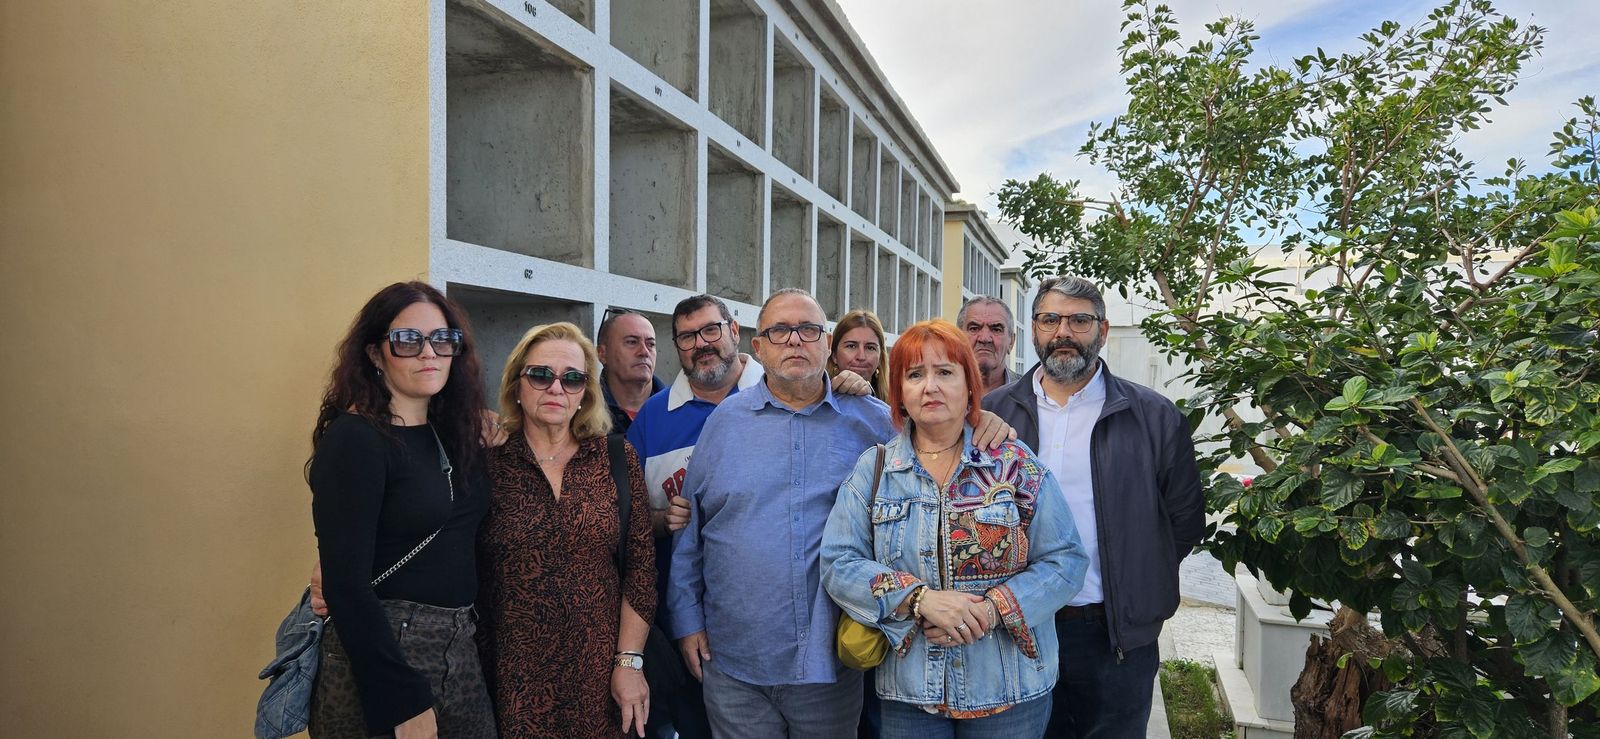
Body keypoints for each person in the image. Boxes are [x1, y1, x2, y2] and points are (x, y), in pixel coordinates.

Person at [822, 319, 1089, 737]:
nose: (930, 386)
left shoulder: (1012, 464)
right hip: (910, 693)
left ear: (969, 386)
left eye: (945, 372)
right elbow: (838, 563)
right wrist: (918, 599)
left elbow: (1065, 561)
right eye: (915, 375)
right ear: (899, 394)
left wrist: (992, 609)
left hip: (1010, 690)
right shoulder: (876, 470)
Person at [666, 288, 897, 737]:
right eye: (779, 331)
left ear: (827, 343)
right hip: (733, 661)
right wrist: (687, 620)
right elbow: (691, 530)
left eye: (808, 330)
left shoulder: (874, 422)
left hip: (829, 663)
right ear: (758, 346)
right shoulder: (724, 424)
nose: (795, 341)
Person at [981, 276, 1205, 739]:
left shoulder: (1154, 418)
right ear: (1034, 330)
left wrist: (1134, 587)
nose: (1064, 331)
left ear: (1102, 332)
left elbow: (1182, 524)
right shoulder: (990, 413)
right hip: (1010, 629)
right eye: (1050, 319)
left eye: (1080, 320)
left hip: (1112, 637)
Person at [308, 281, 496, 738]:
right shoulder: (355, 440)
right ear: (375, 354)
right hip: (387, 649)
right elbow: (346, 585)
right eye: (408, 341)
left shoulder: (451, 434)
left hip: (457, 643)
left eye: (442, 339)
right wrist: (399, 697)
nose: (428, 353)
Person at [476, 322, 657, 738]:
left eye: (572, 378)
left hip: (602, 675)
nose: (556, 388)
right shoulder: (486, 464)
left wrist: (629, 662)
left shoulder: (614, 457)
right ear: (517, 383)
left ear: (585, 394)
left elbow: (641, 571)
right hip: (507, 675)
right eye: (541, 375)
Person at [598, 308, 665, 434]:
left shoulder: (680, 410)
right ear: (602, 354)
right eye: (632, 342)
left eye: (650, 344)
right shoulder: (583, 416)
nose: (644, 352)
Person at [957, 296, 1019, 395]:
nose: (984, 338)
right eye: (974, 328)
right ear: (958, 338)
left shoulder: (1033, 394)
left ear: (1011, 342)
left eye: (996, 329)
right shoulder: (940, 393)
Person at [829, 309, 888, 400]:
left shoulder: (898, 405)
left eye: (870, 348)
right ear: (834, 355)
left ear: (880, 357)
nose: (861, 357)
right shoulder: (815, 400)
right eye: (851, 346)